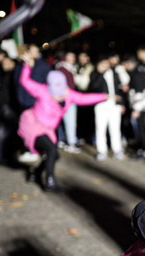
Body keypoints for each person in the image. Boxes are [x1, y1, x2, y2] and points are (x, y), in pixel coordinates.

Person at [17, 52, 108, 192]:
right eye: (55, 92)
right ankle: (49, 182)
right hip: (34, 125)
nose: (58, 95)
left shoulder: (68, 94)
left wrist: (104, 96)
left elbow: (84, 98)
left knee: (54, 155)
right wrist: (27, 67)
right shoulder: (42, 91)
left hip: (48, 129)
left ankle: (35, 173)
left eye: (60, 91)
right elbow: (25, 81)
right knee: (52, 151)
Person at [89, 56, 125, 161]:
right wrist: (100, 73)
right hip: (101, 105)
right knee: (100, 129)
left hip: (114, 105)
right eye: (103, 64)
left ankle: (117, 150)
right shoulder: (95, 74)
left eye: (106, 64)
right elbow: (93, 87)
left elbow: (120, 89)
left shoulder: (114, 73)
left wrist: (121, 103)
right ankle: (102, 151)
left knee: (115, 129)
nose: (105, 66)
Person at [56, 52, 80, 153]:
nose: (73, 58)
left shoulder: (71, 68)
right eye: (70, 56)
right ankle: (71, 143)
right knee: (70, 121)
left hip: (70, 98)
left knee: (64, 121)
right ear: (65, 57)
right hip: (67, 99)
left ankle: (62, 140)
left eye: (73, 56)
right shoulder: (62, 69)